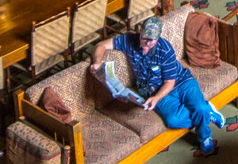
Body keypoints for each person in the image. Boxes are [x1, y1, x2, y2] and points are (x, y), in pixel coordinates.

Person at [93, 14, 220, 156]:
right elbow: (101, 45)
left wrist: (156, 99)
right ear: (140, 32)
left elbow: (169, 82)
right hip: (154, 90)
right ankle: (206, 114)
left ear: (158, 38)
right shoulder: (128, 41)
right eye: (145, 37)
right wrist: (97, 62)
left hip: (181, 82)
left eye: (151, 40)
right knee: (174, 120)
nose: (147, 42)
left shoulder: (165, 49)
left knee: (199, 107)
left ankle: (204, 136)